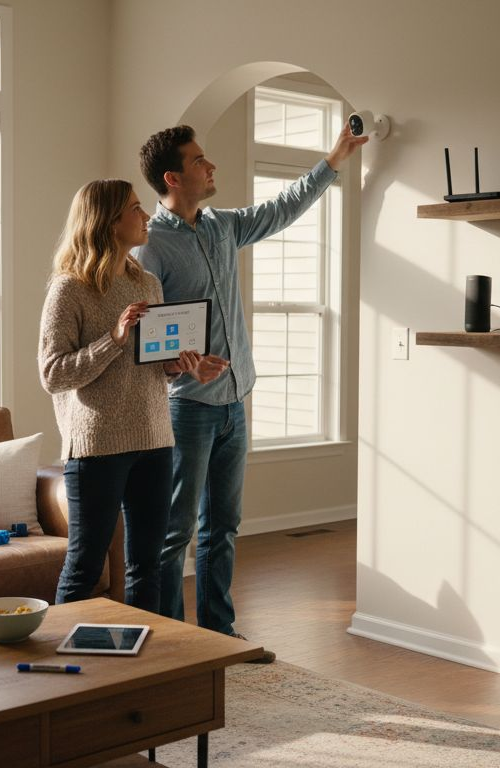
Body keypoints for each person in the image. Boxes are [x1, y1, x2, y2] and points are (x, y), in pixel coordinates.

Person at [135, 123, 368, 660]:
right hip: (187, 410)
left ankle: (219, 635)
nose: (210, 167)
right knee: (175, 537)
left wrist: (333, 159)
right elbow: (150, 342)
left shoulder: (221, 226)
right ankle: (177, 646)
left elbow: (283, 207)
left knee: (223, 528)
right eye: (199, 162)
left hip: (235, 405)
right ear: (173, 177)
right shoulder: (151, 246)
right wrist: (181, 366)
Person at [39, 179, 228, 613]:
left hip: (155, 438)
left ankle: (143, 664)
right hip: (97, 446)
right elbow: (53, 374)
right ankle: (65, 671)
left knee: (148, 566)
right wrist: (115, 337)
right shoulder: (69, 289)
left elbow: (149, 369)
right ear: (107, 221)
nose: (146, 217)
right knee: (85, 566)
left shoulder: (146, 283)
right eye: (136, 209)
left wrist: (181, 366)